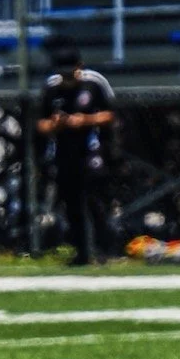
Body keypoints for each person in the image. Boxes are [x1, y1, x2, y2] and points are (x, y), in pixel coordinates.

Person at [38, 45, 116, 266]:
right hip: (63, 153)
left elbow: (111, 114)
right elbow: (40, 124)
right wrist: (54, 124)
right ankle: (81, 252)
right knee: (71, 204)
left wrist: (84, 120)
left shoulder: (94, 82)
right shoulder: (51, 87)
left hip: (91, 150)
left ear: (79, 67)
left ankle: (105, 249)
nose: (66, 78)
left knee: (95, 201)